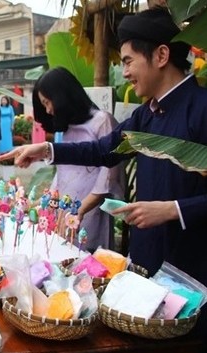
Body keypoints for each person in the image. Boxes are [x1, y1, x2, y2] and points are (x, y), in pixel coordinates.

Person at [0, 7, 207, 353]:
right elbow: (104, 150)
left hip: (200, 271)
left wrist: (174, 210)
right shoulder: (147, 115)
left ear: (161, 55)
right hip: (152, 269)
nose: (125, 71)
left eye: (130, 61)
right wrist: (47, 150)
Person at [33, 67, 125, 251]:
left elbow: (107, 179)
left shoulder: (102, 121)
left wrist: (80, 210)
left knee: (88, 262)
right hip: (65, 210)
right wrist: (47, 202)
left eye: (48, 102)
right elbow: (62, 174)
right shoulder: (66, 128)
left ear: (62, 96)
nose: (48, 110)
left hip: (90, 211)